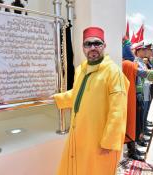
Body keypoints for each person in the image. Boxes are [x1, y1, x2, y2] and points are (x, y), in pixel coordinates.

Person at [53, 26, 129, 175]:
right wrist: (57, 98)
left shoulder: (113, 72)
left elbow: (118, 110)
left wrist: (109, 141)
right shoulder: (80, 70)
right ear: (83, 47)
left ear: (104, 46)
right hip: (79, 134)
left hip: (100, 140)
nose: (92, 47)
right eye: (88, 44)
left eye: (97, 43)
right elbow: (78, 94)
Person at [122, 37, 145, 161]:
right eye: (130, 49)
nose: (132, 51)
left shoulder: (125, 63)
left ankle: (132, 149)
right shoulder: (128, 63)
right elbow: (144, 74)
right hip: (131, 98)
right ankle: (132, 151)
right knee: (133, 123)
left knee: (132, 123)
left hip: (129, 97)